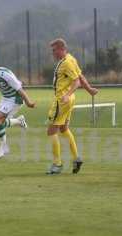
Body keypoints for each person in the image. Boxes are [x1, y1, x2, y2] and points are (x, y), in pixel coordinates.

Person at [46, 38, 98, 175]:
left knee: (51, 131)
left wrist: (67, 94)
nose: (53, 53)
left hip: (62, 100)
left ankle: (57, 164)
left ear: (62, 49)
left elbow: (76, 82)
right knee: (64, 129)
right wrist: (90, 89)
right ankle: (76, 158)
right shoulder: (71, 59)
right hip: (69, 100)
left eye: (54, 50)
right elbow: (80, 76)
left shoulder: (66, 63)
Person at [0, 55, 36, 159]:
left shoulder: (5, 74)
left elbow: (20, 89)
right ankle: (19, 121)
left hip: (15, 98)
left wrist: (28, 103)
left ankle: (3, 148)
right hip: (5, 98)